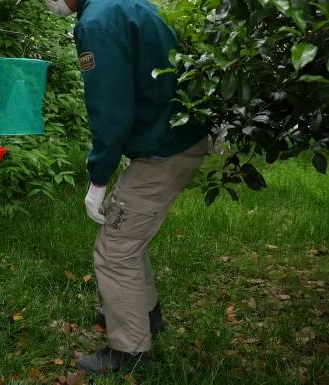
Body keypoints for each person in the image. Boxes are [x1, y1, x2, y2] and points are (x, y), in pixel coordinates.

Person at [44, 0, 210, 375]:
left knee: (115, 249)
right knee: (128, 237)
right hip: (180, 134)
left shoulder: (98, 22)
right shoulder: (125, 4)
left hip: (164, 147)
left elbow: (111, 110)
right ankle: (146, 314)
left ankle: (129, 350)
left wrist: (99, 177)